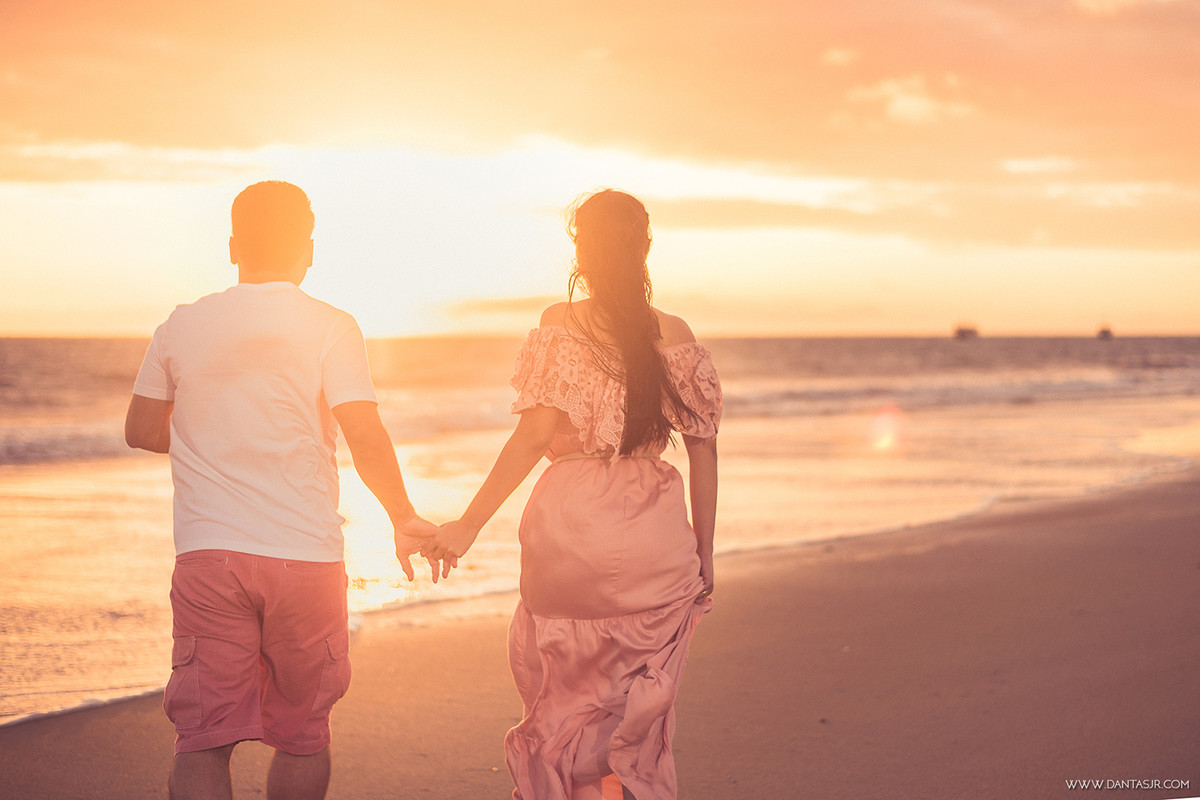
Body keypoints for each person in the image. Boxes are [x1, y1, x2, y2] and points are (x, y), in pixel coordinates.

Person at [124, 180, 438, 800]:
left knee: (203, 740)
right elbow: (363, 433)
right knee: (302, 733)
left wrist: (211, 438)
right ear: (309, 250)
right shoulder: (332, 326)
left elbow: (140, 430)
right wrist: (402, 516)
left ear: (234, 245)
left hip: (209, 555)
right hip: (306, 557)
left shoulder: (181, 324)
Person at [425, 189, 722, 799]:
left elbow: (533, 435)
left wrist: (467, 525)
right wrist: (704, 551)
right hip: (652, 532)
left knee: (562, 694)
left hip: (569, 526)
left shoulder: (560, 325)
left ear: (579, 249)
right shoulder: (675, 332)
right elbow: (702, 446)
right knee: (633, 704)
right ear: (644, 248)